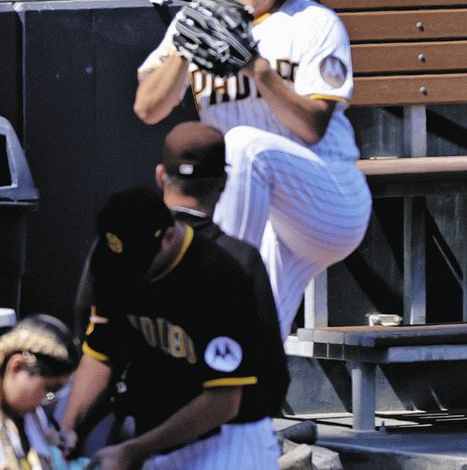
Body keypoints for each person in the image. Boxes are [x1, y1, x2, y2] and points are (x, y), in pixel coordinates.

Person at [133, 0, 372, 337]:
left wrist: (257, 69)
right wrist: (183, 51)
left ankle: (215, 278)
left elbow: (312, 128)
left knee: (243, 147)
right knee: (249, 338)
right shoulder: (203, 17)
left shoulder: (316, 23)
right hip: (260, 212)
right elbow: (148, 108)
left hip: (329, 195)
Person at [61, 186, 279, 468]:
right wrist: (67, 426)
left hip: (227, 438)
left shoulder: (217, 279)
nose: (130, 276)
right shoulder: (109, 262)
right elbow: (101, 353)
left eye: (138, 264)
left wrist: (133, 451)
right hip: (154, 433)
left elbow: (224, 402)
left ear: (169, 237)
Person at [0, 313, 80, 469]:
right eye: (48, 388)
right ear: (17, 366)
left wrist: (52, 440)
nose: (45, 399)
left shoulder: (31, 415)